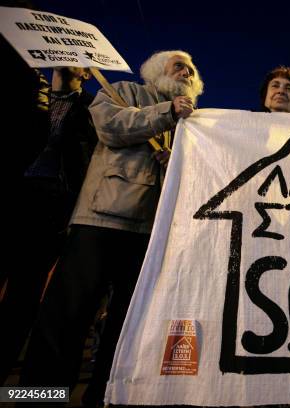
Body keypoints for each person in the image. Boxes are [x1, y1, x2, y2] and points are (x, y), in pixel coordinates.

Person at [19, 50, 204, 406]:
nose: (187, 70)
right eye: (179, 64)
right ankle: (34, 398)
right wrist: (166, 112)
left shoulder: (193, 121)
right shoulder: (122, 91)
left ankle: (104, 398)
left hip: (152, 235)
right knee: (66, 320)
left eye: (192, 68)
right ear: (154, 71)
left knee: (125, 328)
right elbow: (110, 127)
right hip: (101, 219)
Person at [0, 66, 97, 385]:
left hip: (52, 202)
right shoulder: (28, 94)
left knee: (24, 292)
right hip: (14, 195)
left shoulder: (90, 107)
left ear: (86, 73)